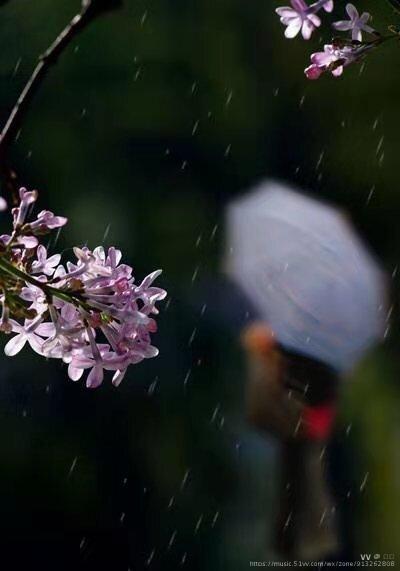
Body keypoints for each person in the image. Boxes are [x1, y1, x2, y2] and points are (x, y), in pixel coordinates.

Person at [242, 322, 340, 561]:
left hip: (303, 422)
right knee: (301, 479)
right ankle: (298, 541)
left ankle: (298, 541)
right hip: (299, 422)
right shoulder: (313, 340)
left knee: (302, 480)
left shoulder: (306, 342)